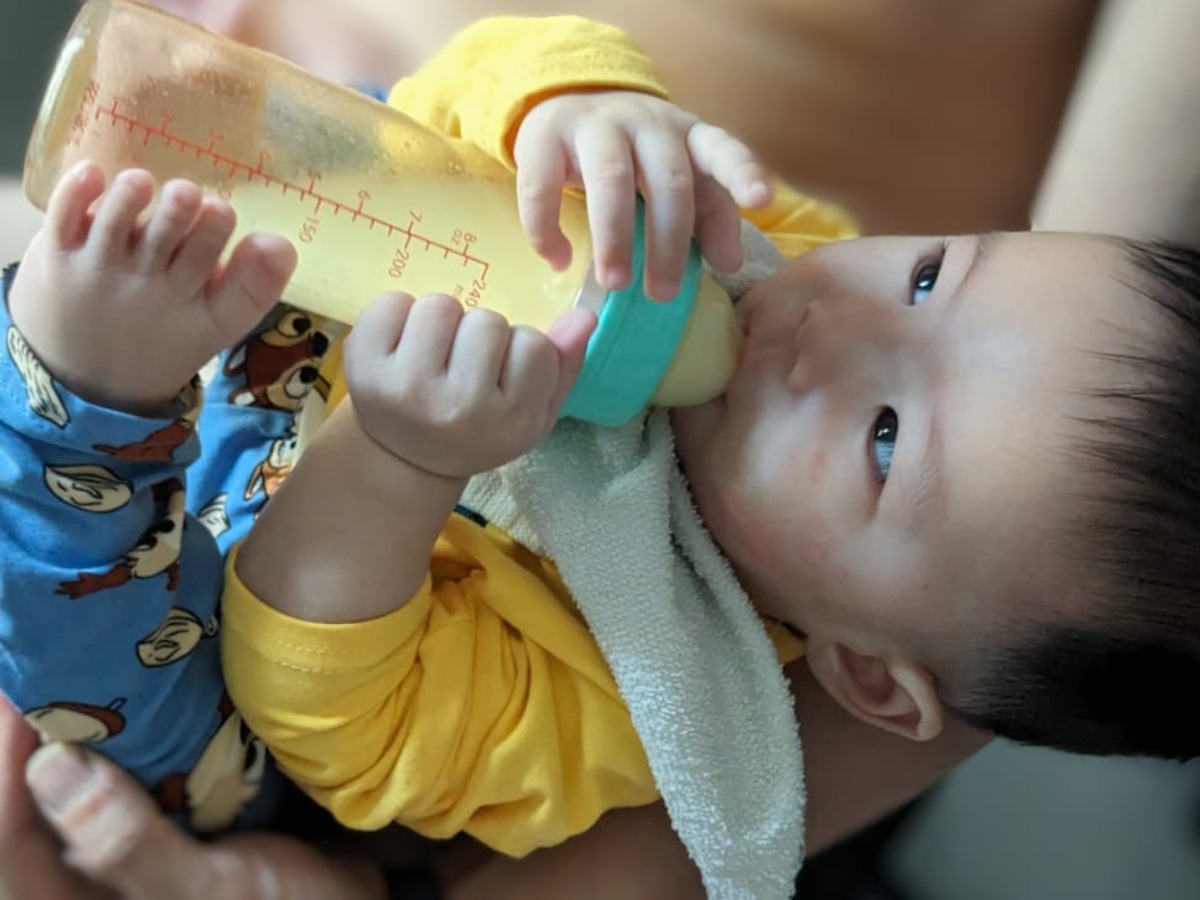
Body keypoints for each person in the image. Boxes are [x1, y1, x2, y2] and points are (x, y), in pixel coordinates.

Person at [3, 2, 1200, 899]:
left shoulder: (638, 694)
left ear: (869, 678)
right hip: (248, 292)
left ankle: (74, 379)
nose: (839, 330)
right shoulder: (757, 248)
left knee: (144, 703)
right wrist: (578, 109)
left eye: (884, 437)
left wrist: (402, 460)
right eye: (931, 278)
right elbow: (460, 96)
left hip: (193, 588)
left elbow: (323, 711)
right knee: (387, 129)